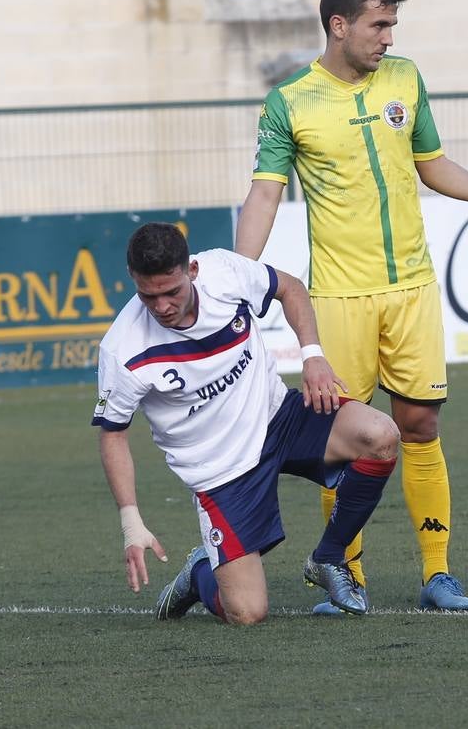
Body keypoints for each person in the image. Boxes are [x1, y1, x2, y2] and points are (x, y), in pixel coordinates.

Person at [235, 0, 468, 613]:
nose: (388, 38)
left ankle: (438, 571)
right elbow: (266, 192)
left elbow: (429, 161)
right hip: (339, 299)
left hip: (410, 286)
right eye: (379, 26)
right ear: (339, 26)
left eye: (393, 26)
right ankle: (345, 575)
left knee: (420, 423)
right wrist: (240, 274)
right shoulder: (290, 101)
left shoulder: (404, 78)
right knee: (343, 438)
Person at [95, 222, 401, 625]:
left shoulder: (224, 271)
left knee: (381, 435)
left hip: (280, 417)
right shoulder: (124, 349)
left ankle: (327, 558)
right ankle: (199, 573)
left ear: (192, 270)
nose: (162, 306)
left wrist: (312, 355)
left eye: (171, 292)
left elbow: (289, 288)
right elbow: (113, 434)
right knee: (247, 612)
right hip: (221, 472)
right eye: (148, 296)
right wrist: (130, 520)